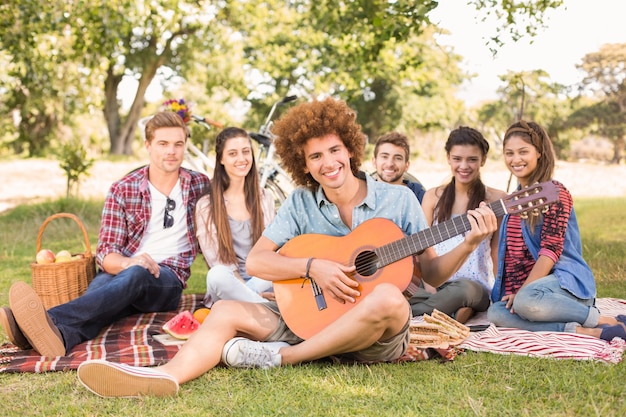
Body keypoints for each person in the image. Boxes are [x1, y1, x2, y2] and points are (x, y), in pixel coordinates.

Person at [76, 98, 497, 398]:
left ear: (350, 149)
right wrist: (314, 267)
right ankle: (164, 377)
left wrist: (472, 240)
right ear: (303, 163)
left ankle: (283, 359)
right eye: (315, 156)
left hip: (373, 334)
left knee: (388, 296)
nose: (328, 163)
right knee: (224, 310)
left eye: (334, 150)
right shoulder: (299, 202)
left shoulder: (398, 199)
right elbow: (258, 260)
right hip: (311, 318)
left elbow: (435, 275)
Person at [0, 111, 210, 357]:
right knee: (104, 299)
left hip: (167, 280)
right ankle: (62, 337)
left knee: (135, 275)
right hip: (121, 271)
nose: (171, 151)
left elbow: (229, 211)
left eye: (178, 144)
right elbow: (106, 254)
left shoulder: (200, 185)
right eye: (163, 144)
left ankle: (47, 320)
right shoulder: (123, 189)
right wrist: (130, 262)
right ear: (148, 145)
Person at [487, 120, 625, 340]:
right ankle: (584, 330)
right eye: (509, 153)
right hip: (533, 293)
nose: (515, 159)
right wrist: (514, 291)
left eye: (523, 152)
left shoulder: (554, 193)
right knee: (495, 313)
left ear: (539, 152)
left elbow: (550, 251)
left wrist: (524, 293)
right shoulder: (511, 201)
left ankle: (602, 319)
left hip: (563, 289)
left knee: (526, 302)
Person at [408, 127, 507, 323]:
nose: (464, 166)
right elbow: (422, 250)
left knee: (463, 291)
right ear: (448, 158)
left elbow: (497, 253)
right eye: (457, 158)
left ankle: (407, 314)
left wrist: (501, 293)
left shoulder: (496, 199)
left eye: (472, 159)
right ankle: (453, 312)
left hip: (471, 285)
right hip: (434, 282)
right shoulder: (432, 197)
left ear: (483, 160)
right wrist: (429, 286)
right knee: (402, 288)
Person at [195, 127, 275, 307]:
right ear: (221, 159)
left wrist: (256, 288)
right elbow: (217, 261)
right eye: (233, 153)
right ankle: (265, 308)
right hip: (228, 287)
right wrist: (247, 291)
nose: (241, 159)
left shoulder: (265, 198)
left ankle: (256, 305)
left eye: (246, 152)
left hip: (263, 280)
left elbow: (274, 251)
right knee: (217, 275)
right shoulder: (207, 206)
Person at [371, 131, 426, 203]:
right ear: (374, 162)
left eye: (398, 158)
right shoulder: (363, 193)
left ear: (407, 165)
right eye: (384, 157)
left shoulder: (419, 195)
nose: (390, 164)